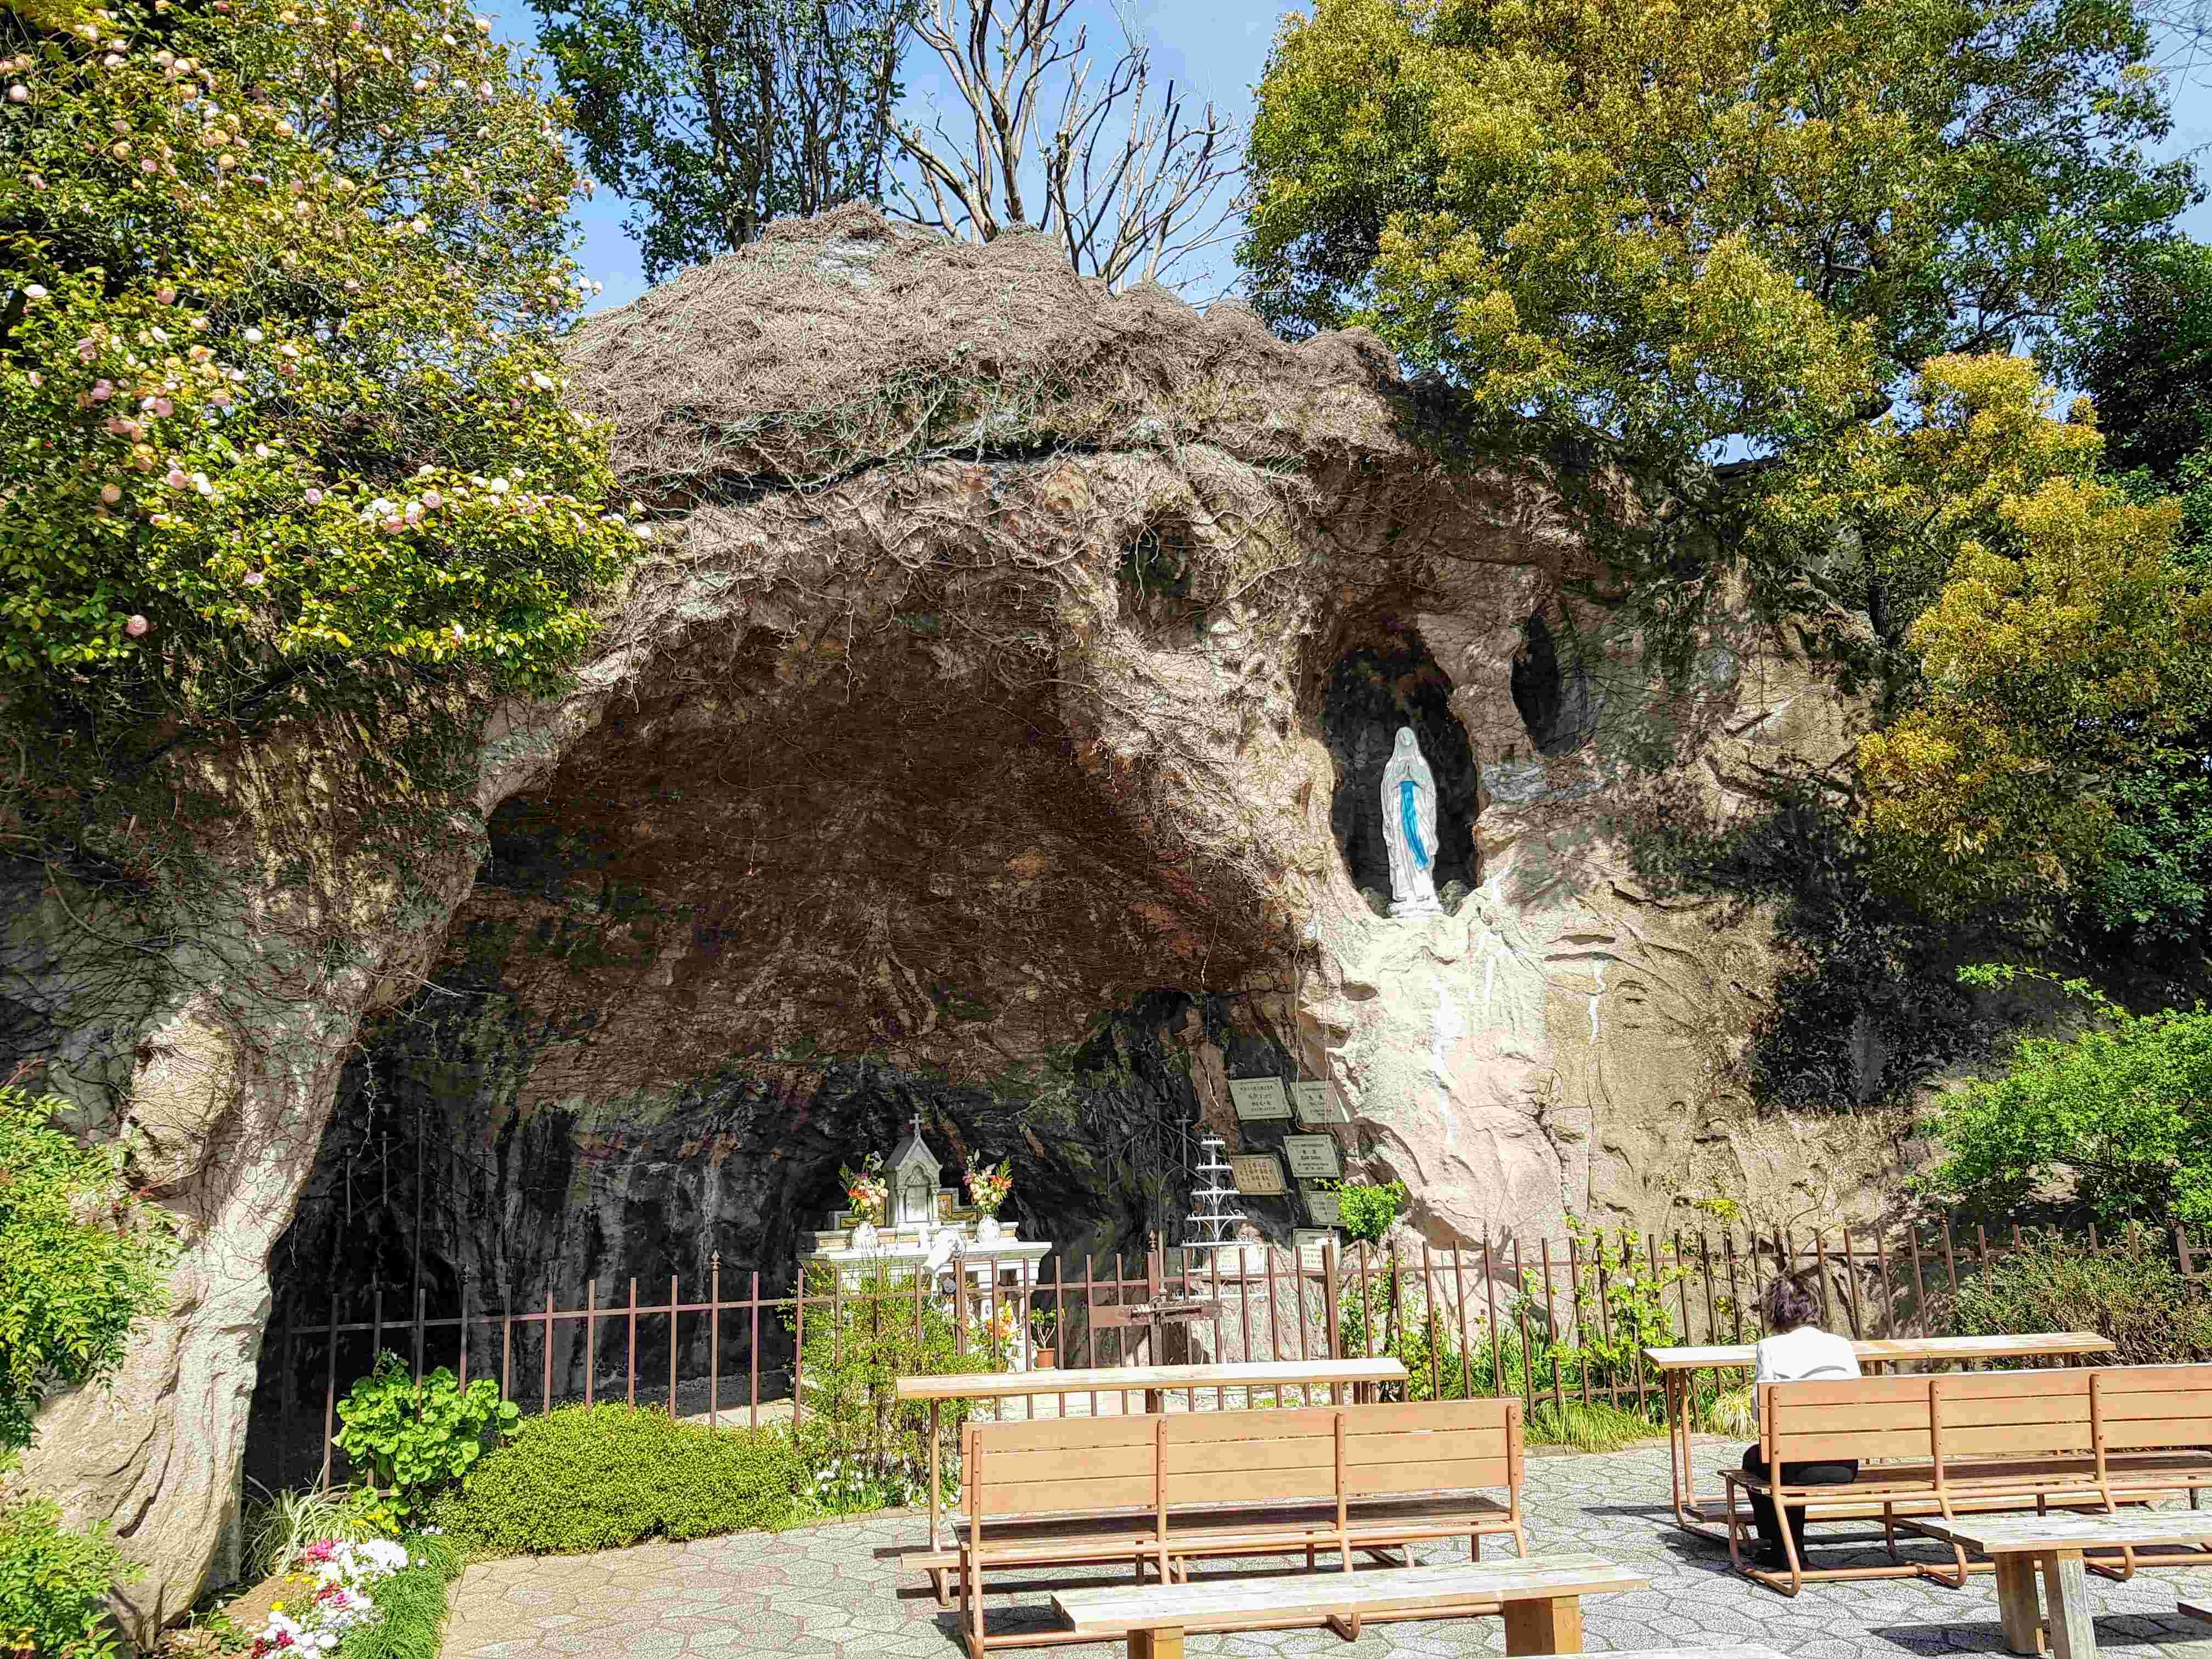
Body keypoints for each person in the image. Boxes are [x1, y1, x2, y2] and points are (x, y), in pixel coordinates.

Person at [1740, 1271, 1859, 1571]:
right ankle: (1790, 1549)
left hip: (1793, 1465)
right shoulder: (1842, 1345)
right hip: (1845, 1466)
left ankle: (1780, 1547)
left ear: (1777, 1311)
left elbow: (1761, 1414)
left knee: (1758, 1458)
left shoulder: (1770, 1347)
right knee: (1786, 1457)